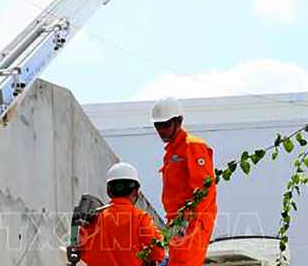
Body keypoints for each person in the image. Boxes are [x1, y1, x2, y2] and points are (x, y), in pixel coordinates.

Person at [152, 97, 217, 266]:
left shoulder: (193, 146)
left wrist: (186, 221)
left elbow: (204, 189)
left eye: (165, 125)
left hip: (192, 222)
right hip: (177, 222)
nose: (161, 130)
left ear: (179, 121)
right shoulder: (172, 151)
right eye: (157, 126)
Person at [79, 162, 165, 266]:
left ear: (109, 191)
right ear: (136, 191)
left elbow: (82, 252)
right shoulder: (140, 218)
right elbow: (158, 250)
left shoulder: (94, 218)